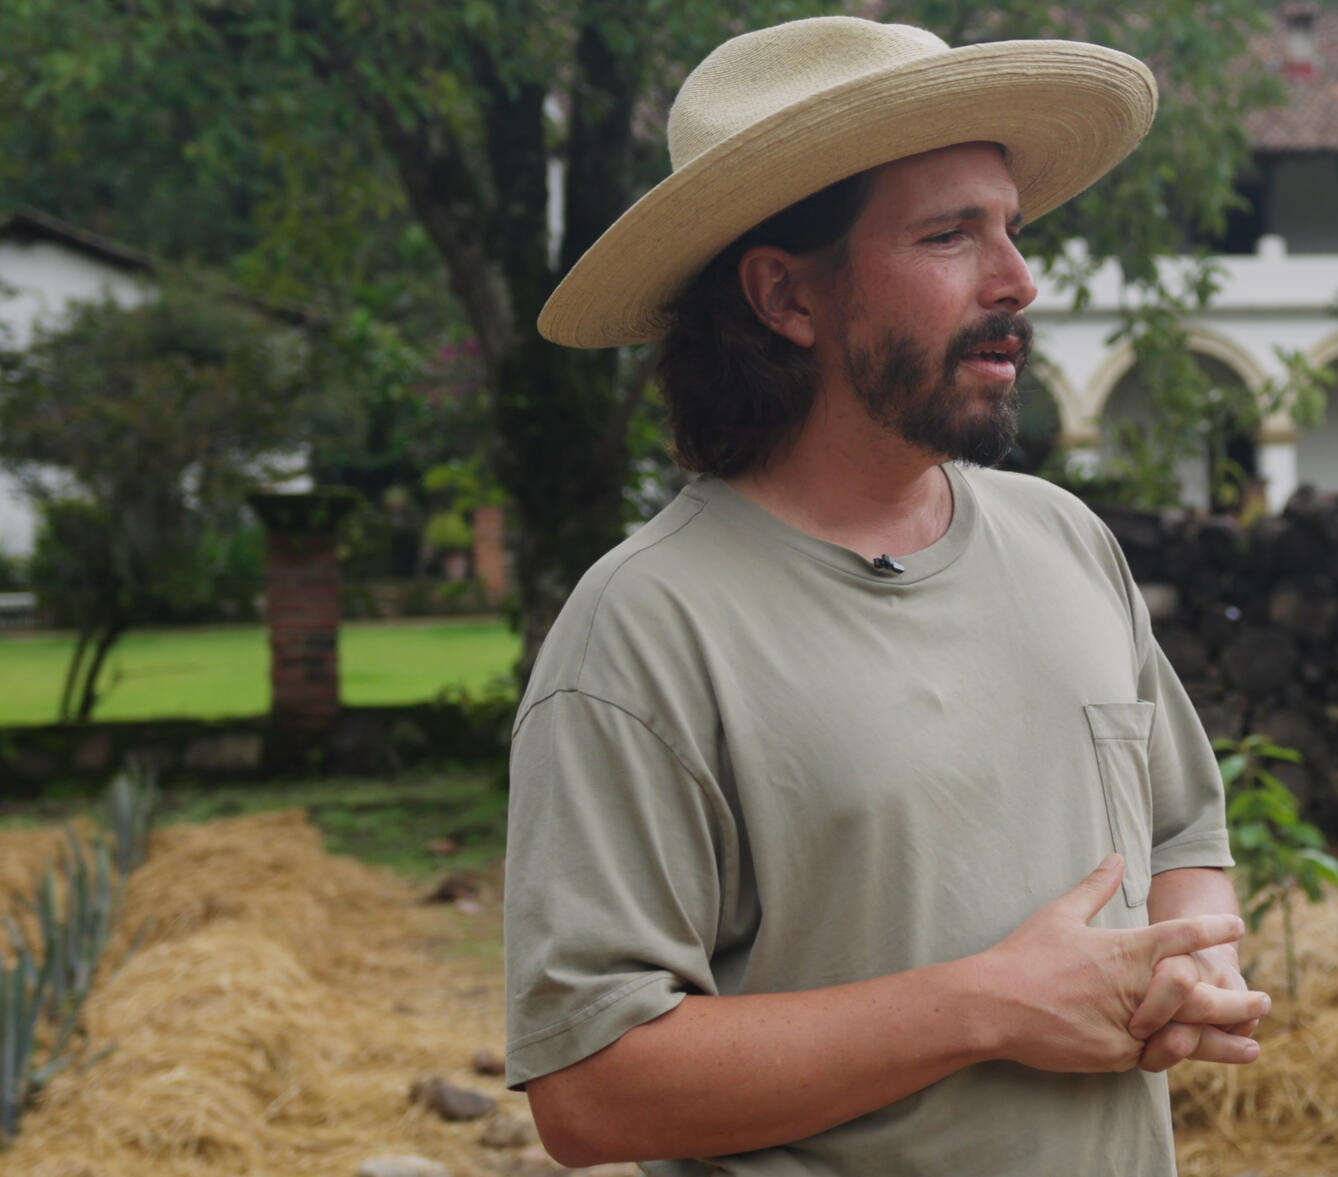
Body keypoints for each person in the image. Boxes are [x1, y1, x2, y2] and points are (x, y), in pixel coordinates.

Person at [504, 16, 1268, 1176]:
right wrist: (989, 1006)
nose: (1018, 278)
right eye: (949, 235)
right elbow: (590, 1088)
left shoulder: (1065, 540)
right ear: (785, 297)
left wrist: (1187, 962)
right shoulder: (647, 632)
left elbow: (1178, 828)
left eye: (1007, 228)